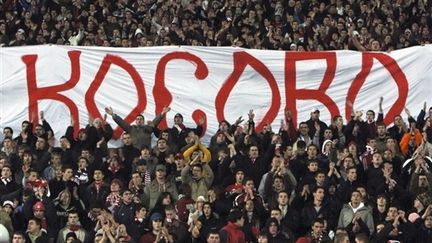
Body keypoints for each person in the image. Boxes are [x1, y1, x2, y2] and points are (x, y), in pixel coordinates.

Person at [105, 106, 170, 150]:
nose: (139, 120)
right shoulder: (131, 129)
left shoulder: (148, 128)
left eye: (141, 119)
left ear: (143, 121)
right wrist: (113, 115)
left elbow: (155, 121)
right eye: (137, 119)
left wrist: (163, 113)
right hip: (134, 154)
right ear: (135, 121)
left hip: (146, 153)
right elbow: (122, 123)